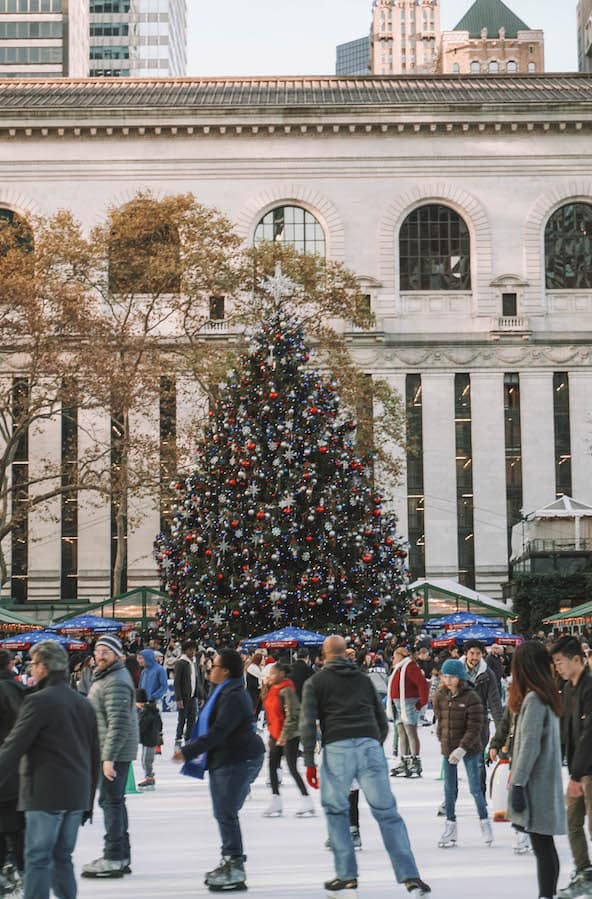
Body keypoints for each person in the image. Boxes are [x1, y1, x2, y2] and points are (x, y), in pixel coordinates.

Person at [300, 635, 431, 898]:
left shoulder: (316, 682)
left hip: (337, 746)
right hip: (369, 743)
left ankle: (346, 876)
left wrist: (310, 763)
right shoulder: (362, 679)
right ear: (345, 654)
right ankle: (410, 876)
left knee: (337, 811)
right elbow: (380, 718)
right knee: (387, 812)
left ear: (325, 655)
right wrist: (373, 743)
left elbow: (307, 723)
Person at [0, 641, 99, 899]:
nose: (31, 669)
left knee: (38, 859)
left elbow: (13, 748)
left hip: (44, 794)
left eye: (33, 664)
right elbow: (94, 754)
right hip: (76, 794)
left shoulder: (38, 702)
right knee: (62, 858)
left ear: (43, 667)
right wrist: (88, 800)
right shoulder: (83, 703)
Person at [173, 648, 264, 893]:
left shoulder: (234, 695)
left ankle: (234, 865)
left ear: (224, 671)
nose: (210, 669)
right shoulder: (224, 691)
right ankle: (229, 861)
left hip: (237, 759)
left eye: (214, 666)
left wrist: (189, 751)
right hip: (225, 759)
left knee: (226, 813)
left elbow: (220, 731)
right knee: (224, 813)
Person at [508, 640, 566, 899]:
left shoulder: (534, 699)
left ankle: (546, 895)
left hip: (536, 784)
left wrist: (518, 783)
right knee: (544, 844)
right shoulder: (547, 695)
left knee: (542, 845)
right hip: (546, 781)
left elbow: (529, 746)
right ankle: (548, 894)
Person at [83, 634, 139, 879]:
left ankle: (113, 856)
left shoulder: (115, 680)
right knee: (114, 801)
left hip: (112, 752)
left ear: (117, 655)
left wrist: (108, 758)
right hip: (110, 750)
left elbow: (118, 723)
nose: (101, 655)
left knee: (110, 802)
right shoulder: (107, 677)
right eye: (98, 651)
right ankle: (120, 854)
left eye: (106, 651)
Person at [433, 658, 493, 849]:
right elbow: (440, 719)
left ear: (460, 678)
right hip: (448, 747)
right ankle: (450, 827)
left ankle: (484, 823)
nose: (448, 680)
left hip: (470, 748)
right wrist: (442, 738)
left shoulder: (471, 697)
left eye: (452, 676)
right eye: (445, 676)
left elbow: (475, 726)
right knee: (449, 789)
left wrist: (462, 748)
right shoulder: (440, 695)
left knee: (475, 788)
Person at [551, 636, 592, 898]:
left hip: (588, 769)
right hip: (577, 769)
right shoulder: (568, 688)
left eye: (560, 662)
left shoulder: (589, 688)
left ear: (577, 659)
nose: (558, 668)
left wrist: (577, 775)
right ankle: (584, 872)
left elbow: (590, 733)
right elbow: (566, 729)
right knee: (573, 823)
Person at [262, 661, 314, 818]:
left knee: (291, 767)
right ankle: (275, 800)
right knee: (272, 765)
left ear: (281, 674)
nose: (270, 676)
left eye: (272, 673)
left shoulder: (287, 691)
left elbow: (293, 716)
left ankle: (307, 799)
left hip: (290, 735)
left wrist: (284, 736)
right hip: (276, 734)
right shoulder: (272, 689)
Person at [462, 639, 503, 796]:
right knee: (451, 762)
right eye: (472, 653)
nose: (475, 657)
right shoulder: (457, 671)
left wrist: (501, 728)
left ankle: (480, 794)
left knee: (479, 760)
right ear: (466, 654)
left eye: (478, 654)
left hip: (480, 721)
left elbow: (494, 701)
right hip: (459, 721)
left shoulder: (488, 674)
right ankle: (449, 799)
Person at [0, 649, 25, 893]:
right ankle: (20, 869)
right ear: (10, 665)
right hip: (16, 765)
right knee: (17, 824)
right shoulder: (18, 690)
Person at [388, 647, 429, 779]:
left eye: (394, 656)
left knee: (410, 731)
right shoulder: (399, 667)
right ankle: (405, 760)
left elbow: (422, 683)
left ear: (400, 656)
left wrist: (422, 702)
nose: (393, 659)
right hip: (398, 704)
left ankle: (415, 760)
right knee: (401, 732)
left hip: (408, 703)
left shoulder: (409, 666)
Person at [173, 639, 205, 750]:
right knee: (182, 719)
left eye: (194, 650)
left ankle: (189, 739)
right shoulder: (181, 663)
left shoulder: (194, 662)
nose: (192, 652)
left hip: (193, 697)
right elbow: (176, 682)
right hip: (184, 697)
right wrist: (178, 698)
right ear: (185, 651)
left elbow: (197, 681)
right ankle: (178, 740)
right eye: (190, 650)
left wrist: (200, 696)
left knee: (192, 719)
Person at [136, 688, 163, 790]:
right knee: (146, 759)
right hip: (151, 738)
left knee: (146, 760)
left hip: (149, 739)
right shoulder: (153, 710)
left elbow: (141, 726)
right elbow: (160, 724)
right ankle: (149, 776)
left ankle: (149, 778)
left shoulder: (146, 712)